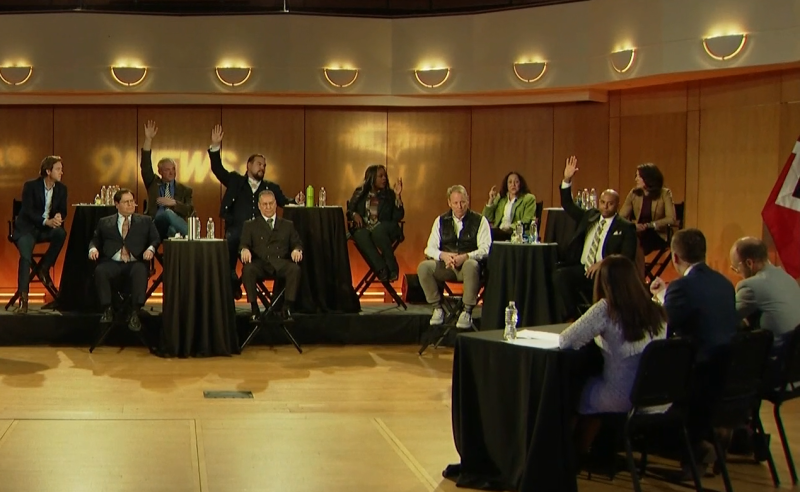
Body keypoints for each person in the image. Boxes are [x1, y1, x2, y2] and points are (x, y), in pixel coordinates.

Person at [650, 228, 737, 478]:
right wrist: (665, 294)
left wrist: (659, 300)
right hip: (725, 373)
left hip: (696, 375)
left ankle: (696, 448)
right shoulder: (724, 283)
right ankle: (708, 438)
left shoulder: (682, 287)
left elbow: (663, 328)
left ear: (675, 257)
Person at [559, 255, 666, 455]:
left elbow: (566, 340)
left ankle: (569, 457)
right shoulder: (657, 310)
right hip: (656, 397)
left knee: (568, 391)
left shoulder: (606, 309)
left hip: (622, 396)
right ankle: (590, 453)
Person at [208, 124, 303, 299]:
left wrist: (296, 201)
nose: (262, 168)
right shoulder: (236, 181)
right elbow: (217, 169)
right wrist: (215, 146)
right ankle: (231, 279)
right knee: (229, 242)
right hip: (236, 230)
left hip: (261, 235)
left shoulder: (270, 187)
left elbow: (284, 201)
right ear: (248, 165)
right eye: (259, 164)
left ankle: (241, 282)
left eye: (264, 166)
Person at [552, 155, 637, 322]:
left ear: (617, 205)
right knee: (559, 276)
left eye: (610, 203)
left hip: (605, 272)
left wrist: (603, 263)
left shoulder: (626, 227)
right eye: (602, 202)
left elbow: (627, 257)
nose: (605, 206)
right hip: (583, 268)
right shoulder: (590, 216)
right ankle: (573, 317)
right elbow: (568, 205)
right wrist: (567, 180)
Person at [417, 185, 491, 329]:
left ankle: (467, 311)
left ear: (468, 200)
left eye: (462, 202)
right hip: (447, 266)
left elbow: (485, 249)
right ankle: (437, 308)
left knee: (471, 265)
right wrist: (443, 255)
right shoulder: (440, 220)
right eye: (456, 203)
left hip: (468, 268)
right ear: (449, 203)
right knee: (424, 267)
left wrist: (466, 256)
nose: (459, 206)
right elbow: (429, 248)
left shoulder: (480, 221)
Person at [89, 189, 160, 332]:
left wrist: (151, 249)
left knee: (140, 271)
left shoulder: (145, 221)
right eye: (126, 202)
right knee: (100, 270)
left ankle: (135, 312)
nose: (130, 205)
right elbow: (95, 240)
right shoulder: (105, 222)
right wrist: (93, 249)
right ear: (117, 204)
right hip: (112, 262)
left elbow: (155, 239)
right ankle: (107, 308)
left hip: (135, 262)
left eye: (132, 201)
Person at [730, 237, 800, 372]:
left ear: (749, 263)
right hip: (795, 365)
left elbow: (727, 318)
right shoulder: (787, 278)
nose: (738, 274)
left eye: (736, 269)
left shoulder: (751, 285)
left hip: (775, 362)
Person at [12, 156, 68, 314]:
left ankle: (44, 268)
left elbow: (63, 210)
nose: (61, 172)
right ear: (48, 171)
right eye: (58, 169)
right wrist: (46, 221)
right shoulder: (30, 186)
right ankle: (23, 299)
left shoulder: (62, 189)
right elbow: (28, 211)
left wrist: (59, 217)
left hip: (45, 229)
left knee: (60, 233)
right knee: (25, 257)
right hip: (28, 229)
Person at [240, 190, 303, 321]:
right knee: (247, 269)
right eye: (265, 204)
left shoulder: (287, 225)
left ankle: (287, 307)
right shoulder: (250, 225)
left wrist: (297, 250)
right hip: (261, 264)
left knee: (295, 269)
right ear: (259, 206)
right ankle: (254, 308)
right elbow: (243, 244)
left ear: (275, 204)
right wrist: (244, 250)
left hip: (280, 263)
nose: (268, 207)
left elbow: (297, 243)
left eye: (271, 204)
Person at [347, 165, 404, 282]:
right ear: (372, 178)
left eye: (385, 176)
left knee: (378, 231)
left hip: (384, 228)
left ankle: (392, 268)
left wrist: (397, 197)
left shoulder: (389, 194)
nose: (384, 179)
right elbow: (350, 210)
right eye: (380, 176)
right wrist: (354, 214)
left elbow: (397, 216)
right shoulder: (360, 193)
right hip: (365, 227)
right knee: (359, 235)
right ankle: (382, 269)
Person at [140, 120, 194, 238]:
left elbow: (189, 210)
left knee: (172, 229)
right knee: (168, 214)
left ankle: (180, 244)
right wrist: (148, 140)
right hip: (155, 226)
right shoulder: (153, 183)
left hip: (175, 227)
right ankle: (193, 237)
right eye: (167, 170)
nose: (171, 172)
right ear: (160, 171)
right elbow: (145, 166)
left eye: (173, 169)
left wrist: (174, 203)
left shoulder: (185, 190)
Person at [619, 163, 676, 255]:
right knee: (621, 237)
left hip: (656, 233)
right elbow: (621, 217)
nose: (636, 179)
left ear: (648, 178)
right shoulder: (634, 193)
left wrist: (649, 225)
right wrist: (633, 226)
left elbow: (671, 219)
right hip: (636, 231)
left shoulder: (665, 193)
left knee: (637, 240)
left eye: (639, 176)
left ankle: (634, 262)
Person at [482, 171, 537, 240]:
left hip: (515, 233)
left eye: (516, 182)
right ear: (506, 185)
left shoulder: (528, 198)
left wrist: (509, 228)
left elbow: (527, 220)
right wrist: (491, 201)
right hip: (499, 232)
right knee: (482, 232)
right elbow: (486, 218)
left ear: (521, 184)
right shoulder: (501, 198)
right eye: (510, 182)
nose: (513, 185)